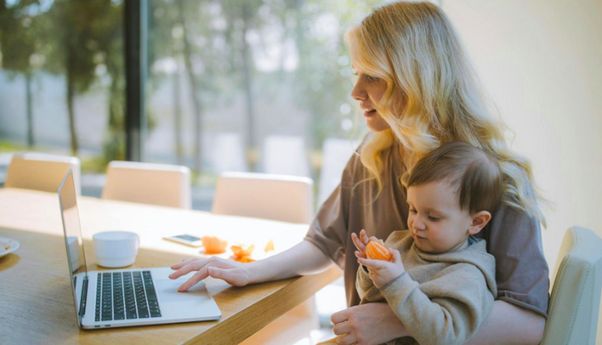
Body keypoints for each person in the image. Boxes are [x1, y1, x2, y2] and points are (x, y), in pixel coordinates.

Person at [169, 2, 549, 344]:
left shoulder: (500, 180)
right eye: (356, 73)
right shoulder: (371, 159)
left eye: (372, 76)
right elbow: (322, 244)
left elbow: (529, 324)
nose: (355, 91)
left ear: (415, 79)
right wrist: (250, 271)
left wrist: (397, 319)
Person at [350, 142, 502, 345]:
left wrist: (396, 282)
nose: (416, 223)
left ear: (476, 222)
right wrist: (371, 269)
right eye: (413, 209)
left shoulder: (467, 275)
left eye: (433, 217)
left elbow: (445, 336)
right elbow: (368, 296)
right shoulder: (400, 243)